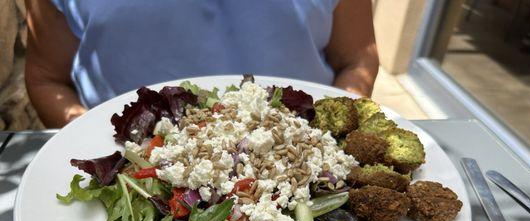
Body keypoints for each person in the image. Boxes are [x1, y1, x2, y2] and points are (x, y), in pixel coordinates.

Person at [25, 0, 379, 128]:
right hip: (137, 182)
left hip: (301, 161)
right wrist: (94, 143)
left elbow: (356, 59)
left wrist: (339, 134)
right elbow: (47, 79)